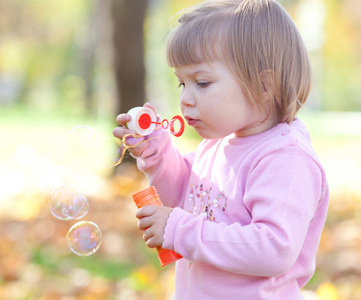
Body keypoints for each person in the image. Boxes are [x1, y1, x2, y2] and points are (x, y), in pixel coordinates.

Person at [112, 0, 329, 298]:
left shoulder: (285, 158)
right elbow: (180, 198)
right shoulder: (216, 145)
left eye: (201, 82)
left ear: (264, 86)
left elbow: (274, 248)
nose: (186, 99)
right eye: (181, 84)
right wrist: (158, 155)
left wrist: (181, 231)